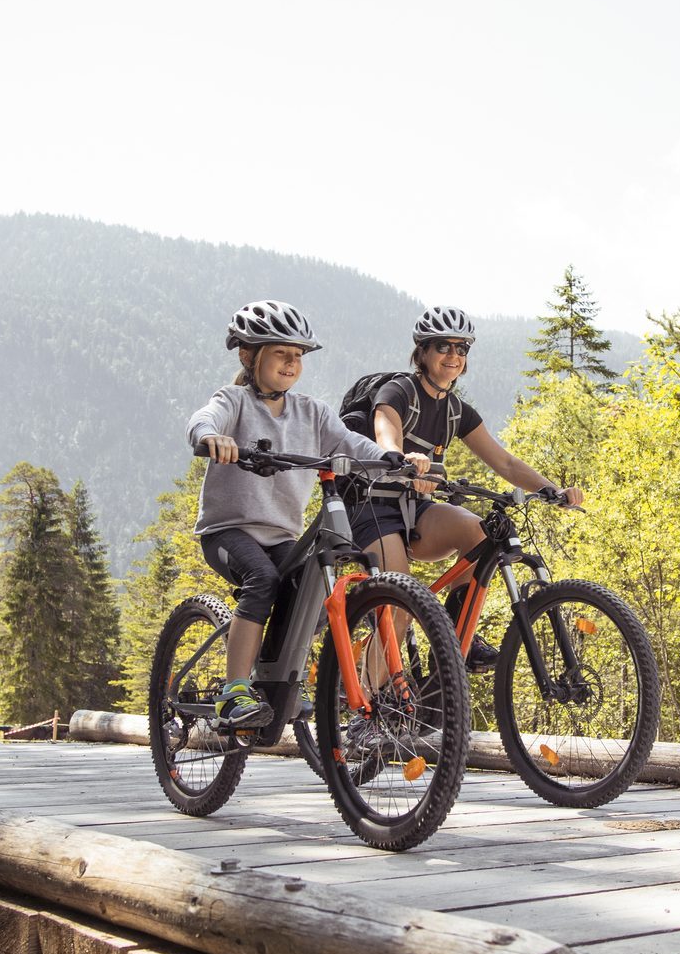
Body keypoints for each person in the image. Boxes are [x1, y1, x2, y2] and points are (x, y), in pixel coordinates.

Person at [187, 300, 408, 729]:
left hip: (280, 535)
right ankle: (234, 691)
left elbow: (350, 442)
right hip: (228, 531)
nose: (291, 363)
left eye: (298, 355)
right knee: (263, 580)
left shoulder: (312, 412)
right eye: (280, 354)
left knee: (312, 590)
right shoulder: (234, 401)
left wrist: (389, 458)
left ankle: (279, 678)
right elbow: (205, 418)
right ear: (249, 355)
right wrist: (211, 436)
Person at [348, 305, 585, 670]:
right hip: (371, 508)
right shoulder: (398, 391)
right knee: (399, 604)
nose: (453, 355)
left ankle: (456, 643)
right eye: (443, 346)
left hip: (415, 509)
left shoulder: (457, 410)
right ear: (423, 352)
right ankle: (370, 700)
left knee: (478, 533)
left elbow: (505, 463)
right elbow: (385, 431)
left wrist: (552, 490)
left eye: (462, 348)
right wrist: (402, 457)